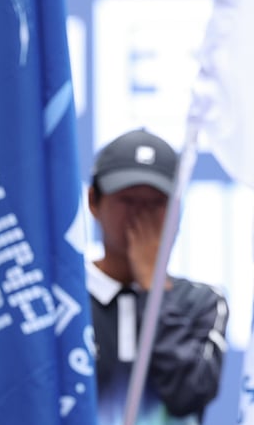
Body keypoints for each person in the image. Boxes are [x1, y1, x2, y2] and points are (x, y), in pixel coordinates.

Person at [86, 129, 229, 424]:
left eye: (155, 204)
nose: (140, 217)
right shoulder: (65, 300)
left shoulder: (203, 302)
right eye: (128, 200)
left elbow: (188, 393)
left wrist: (154, 286)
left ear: (178, 211)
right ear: (94, 202)